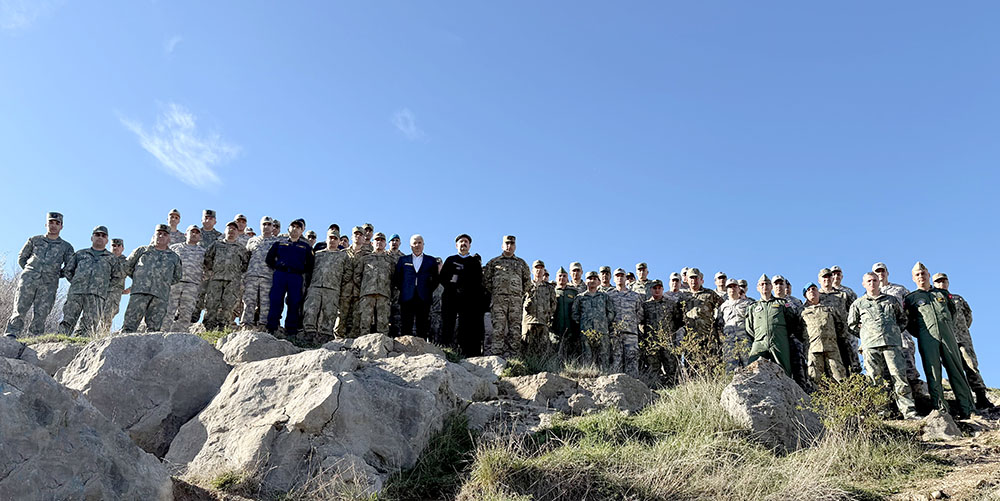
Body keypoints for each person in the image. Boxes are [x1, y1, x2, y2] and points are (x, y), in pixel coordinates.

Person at [904, 262, 974, 419]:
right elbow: (909, 322)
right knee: (933, 373)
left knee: (956, 370)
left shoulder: (942, 294)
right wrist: (922, 333)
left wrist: (946, 327)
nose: (921, 276)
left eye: (923, 273)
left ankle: (967, 408)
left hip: (947, 336)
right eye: (917, 275)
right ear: (913, 278)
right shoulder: (911, 299)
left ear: (928, 275)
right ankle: (941, 409)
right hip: (927, 338)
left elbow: (953, 313)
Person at [848, 272, 918, 419]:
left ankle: (908, 411)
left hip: (892, 344)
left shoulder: (891, 300)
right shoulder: (858, 304)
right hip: (870, 346)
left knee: (899, 376)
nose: (872, 283)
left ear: (879, 282)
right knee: (875, 379)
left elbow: (902, 319)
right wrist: (867, 334)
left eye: (874, 280)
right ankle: (881, 411)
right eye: (869, 281)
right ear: (864, 284)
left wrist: (892, 332)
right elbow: (852, 325)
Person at [6, 212, 74, 338]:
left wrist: (54, 275)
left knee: (41, 313)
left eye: (57, 223)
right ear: (46, 224)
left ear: (61, 226)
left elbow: (69, 267)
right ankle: (11, 335)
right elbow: (22, 258)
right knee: (20, 308)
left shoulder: (66, 247)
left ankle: (34, 338)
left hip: (49, 284)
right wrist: (31, 271)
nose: (53, 225)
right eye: (51, 222)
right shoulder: (34, 240)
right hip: (29, 280)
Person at [933, 273, 993, 409]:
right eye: (938, 281)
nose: (941, 284)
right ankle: (963, 400)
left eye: (944, 281)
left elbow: (968, 316)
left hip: (962, 338)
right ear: (934, 284)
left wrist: (962, 330)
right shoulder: (933, 299)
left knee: (971, 365)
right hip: (945, 340)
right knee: (953, 369)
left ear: (948, 282)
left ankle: (981, 395)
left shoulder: (957, 298)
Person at [59, 226, 123, 336]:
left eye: (103, 236)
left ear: (107, 240)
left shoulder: (112, 258)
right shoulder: (80, 254)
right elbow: (68, 270)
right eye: (97, 235)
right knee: (68, 320)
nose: (100, 237)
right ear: (92, 238)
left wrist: (103, 288)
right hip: (76, 292)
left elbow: (117, 278)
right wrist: (76, 282)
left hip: (97, 296)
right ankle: (60, 340)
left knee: (89, 324)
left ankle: (81, 343)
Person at [873, 261, 925, 398]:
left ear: (887, 273)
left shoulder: (899, 289)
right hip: (882, 336)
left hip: (902, 332)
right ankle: (892, 400)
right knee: (886, 369)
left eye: (882, 271)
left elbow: (912, 309)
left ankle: (918, 397)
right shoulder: (871, 293)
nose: (880, 274)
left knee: (908, 363)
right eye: (877, 272)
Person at [122, 224, 182, 332]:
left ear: (169, 238)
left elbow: (177, 277)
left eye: (165, 234)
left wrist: (162, 283)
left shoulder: (174, 257)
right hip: (140, 291)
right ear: (154, 235)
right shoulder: (142, 251)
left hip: (160, 295)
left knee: (154, 329)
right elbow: (127, 266)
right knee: (129, 326)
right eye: (159, 233)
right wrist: (139, 278)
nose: (161, 236)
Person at [483, 235, 531, 358]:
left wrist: (517, 294)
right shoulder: (494, 262)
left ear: (515, 246)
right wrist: (497, 292)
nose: (509, 246)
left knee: (515, 330)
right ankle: (496, 356)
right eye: (507, 243)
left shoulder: (521, 263)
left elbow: (527, 282)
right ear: (502, 246)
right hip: (498, 301)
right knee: (498, 329)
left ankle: (513, 358)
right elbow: (486, 280)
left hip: (515, 301)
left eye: (512, 244)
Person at [265, 219, 314, 337]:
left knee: (294, 302)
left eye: (298, 227)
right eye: (293, 226)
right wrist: (278, 267)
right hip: (280, 275)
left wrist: (299, 270)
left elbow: (310, 264)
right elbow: (269, 259)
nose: (295, 229)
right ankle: (272, 327)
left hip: (295, 277)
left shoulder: (305, 247)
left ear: (302, 231)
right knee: (276, 300)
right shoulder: (279, 243)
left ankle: (291, 330)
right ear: (288, 229)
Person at [439, 233, 486, 356]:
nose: (463, 244)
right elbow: (443, 278)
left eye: (466, 242)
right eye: (461, 241)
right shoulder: (450, 260)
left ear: (469, 245)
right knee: (448, 324)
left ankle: (466, 353)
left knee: (467, 326)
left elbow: (478, 281)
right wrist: (453, 287)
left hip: (468, 300)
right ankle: (446, 350)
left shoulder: (474, 262)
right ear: (456, 245)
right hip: (450, 297)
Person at [745, 274, 800, 378]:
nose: (764, 286)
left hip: (779, 341)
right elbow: (749, 328)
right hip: (760, 341)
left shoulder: (782, 303)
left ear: (771, 287)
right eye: (762, 284)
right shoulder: (753, 307)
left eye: (767, 284)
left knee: (784, 370)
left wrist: (780, 334)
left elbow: (792, 322)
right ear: (757, 288)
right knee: (752, 368)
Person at [302, 228, 350, 342]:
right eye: (330, 238)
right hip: (315, 286)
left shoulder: (343, 256)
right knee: (310, 310)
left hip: (333, 289)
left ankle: (325, 336)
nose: (332, 240)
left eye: (335, 238)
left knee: (329, 313)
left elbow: (348, 273)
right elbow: (309, 270)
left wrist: (338, 282)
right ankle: (308, 335)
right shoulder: (318, 254)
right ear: (326, 239)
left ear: (338, 241)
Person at [203, 221, 249, 331]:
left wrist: (236, 273)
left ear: (237, 232)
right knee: (211, 304)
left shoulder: (241, 248)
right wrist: (212, 269)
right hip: (216, 279)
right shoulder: (216, 245)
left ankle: (222, 328)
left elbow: (246, 263)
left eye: (234, 229)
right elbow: (207, 257)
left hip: (232, 281)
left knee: (228, 305)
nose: (231, 231)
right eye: (229, 228)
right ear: (225, 231)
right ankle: (209, 328)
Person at [677, 268, 724, 374]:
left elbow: (724, 307)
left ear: (700, 279)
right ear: (687, 280)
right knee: (692, 368)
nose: (693, 280)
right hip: (691, 337)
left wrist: (718, 324)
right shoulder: (683, 296)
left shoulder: (709, 294)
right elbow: (678, 315)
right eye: (691, 278)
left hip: (709, 336)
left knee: (713, 366)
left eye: (696, 278)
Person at [393, 234, 439, 340]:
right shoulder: (403, 260)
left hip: (424, 297)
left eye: (419, 243)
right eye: (414, 243)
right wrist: (405, 289)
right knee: (406, 324)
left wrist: (427, 290)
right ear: (410, 246)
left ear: (423, 244)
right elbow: (397, 278)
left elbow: (436, 279)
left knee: (422, 325)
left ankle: (421, 348)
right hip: (407, 297)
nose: (417, 245)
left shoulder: (431, 260)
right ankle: (405, 346)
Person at [800, 283, 848, 383]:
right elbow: (798, 330)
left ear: (818, 292)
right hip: (813, 349)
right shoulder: (802, 312)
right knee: (815, 378)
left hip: (832, 347)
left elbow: (840, 326)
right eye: (808, 290)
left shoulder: (829, 309)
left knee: (839, 376)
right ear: (805, 295)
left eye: (814, 289)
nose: (812, 291)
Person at [640, 279, 682, 385]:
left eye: (659, 288)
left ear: (663, 289)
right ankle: (656, 388)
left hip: (668, 341)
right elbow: (641, 322)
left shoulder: (671, 304)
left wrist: (671, 333)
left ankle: (673, 388)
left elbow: (678, 320)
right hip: (652, 342)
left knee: (671, 367)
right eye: (655, 288)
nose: (657, 290)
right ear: (651, 290)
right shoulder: (645, 305)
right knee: (653, 368)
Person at [571, 271, 615, 369]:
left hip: (602, 331)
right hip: (586, 332)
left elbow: (611, 312)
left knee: (603, 356)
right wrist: (582, 323)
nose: (592, 281)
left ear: (598, 281)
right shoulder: (580, 297)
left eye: (595, 279)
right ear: (585, 281)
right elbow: (574, 314)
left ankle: (604, 375)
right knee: (587, 357)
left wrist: (604, 322)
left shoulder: (604, 296)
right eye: (590, 278)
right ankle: (589, 375)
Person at [166, 225, 205, 332]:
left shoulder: (203, 252)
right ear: (185, 234)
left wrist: (202, 279)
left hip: (192, 286)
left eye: (197, 233)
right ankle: (162, 334)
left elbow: (208, 268)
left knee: (186, 313)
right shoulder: (175, 248)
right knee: (168, 311)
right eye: (192, 232)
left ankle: (180, 335)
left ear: (200, 237)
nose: (194, 234)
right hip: (175, 283)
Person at [608, 267, 644, 376]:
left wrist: (631, 323)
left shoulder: (635, 296)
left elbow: (640, 313)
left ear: (625, 278)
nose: (620, 278)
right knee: (615, 362)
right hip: (615, 334)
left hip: (631, 334)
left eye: (622, 276)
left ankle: (633, 384)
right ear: (614, 279)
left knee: (632, 361)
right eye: (617, 276)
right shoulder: (609, 295)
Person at [243, 217, 278, 329]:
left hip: (267, 277)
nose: (266, 226)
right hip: (251, 276)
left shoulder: (276, 242)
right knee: (249, 301)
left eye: (269, 224)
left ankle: (263, 326)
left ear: (272, 227)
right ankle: (246, 324)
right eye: (264, 224)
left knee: (265, 303)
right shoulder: (252, 240)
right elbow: (246, 257)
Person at [357, 232, 395, 335]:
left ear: (385, 244)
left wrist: (388, 289)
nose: (379, 242)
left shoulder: (390, 261)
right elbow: (357, 276)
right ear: (372, 243)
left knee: (383, 324)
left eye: (382, 240)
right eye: (377, 240)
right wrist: (364, 288)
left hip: (384, 295)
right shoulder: (365, 258)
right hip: (367, 294)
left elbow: (394, 278)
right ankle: (363, 343)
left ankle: (383, 343)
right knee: (365, 323)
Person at [336, 226, 370, 337]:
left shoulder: (368, 255)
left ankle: (354, 341)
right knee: (341, 317)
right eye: (356, 234)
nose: (358, 236)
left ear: (364, 238)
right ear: (352, 236)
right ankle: (337, 339)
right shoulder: (343, 253)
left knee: (357, 318)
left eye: (360, 235)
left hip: (359, 291)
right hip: (344, 290)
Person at [716, 278, 755, 371]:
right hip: (729, 342)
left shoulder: (748, 304)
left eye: (734, 286)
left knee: (749, 368)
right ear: (726, 289)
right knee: (730, 370)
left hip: (745, 341)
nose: (732, 289)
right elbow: (719, 325)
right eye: (730, 287)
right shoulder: (723, 307)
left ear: (738, 288)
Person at [522, 259, 557, 359]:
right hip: (529, 322)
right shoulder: (526, 286)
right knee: (526, 349)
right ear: (532, 271)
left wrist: (548, 315)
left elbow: (553, 304)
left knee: (542, 350)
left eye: (541, 268)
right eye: (536, 268)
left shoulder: (549, 288)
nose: (539, 270)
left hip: (543, 322)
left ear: (544, 271)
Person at [102, 237, 129, 329]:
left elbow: (138, 276)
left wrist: (130, 289)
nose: (116, 248)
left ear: (122, 248)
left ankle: (102, 334)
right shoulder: (104, 258)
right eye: (113, 245)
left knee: (108, 314)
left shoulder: (127, 262)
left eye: (118, 246)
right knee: (93, 313)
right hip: (99, 291)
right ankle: (86, 334)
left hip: (114, 293)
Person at [552, 267, 579, 358]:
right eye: (560, 276)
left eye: (564, 276)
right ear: (556, 278)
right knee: (555, 351)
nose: (562, 278)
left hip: (571, 327)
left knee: (571, 353)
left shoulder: (574, 292)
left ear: (567, 278)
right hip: (556, 327)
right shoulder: (552, 291)